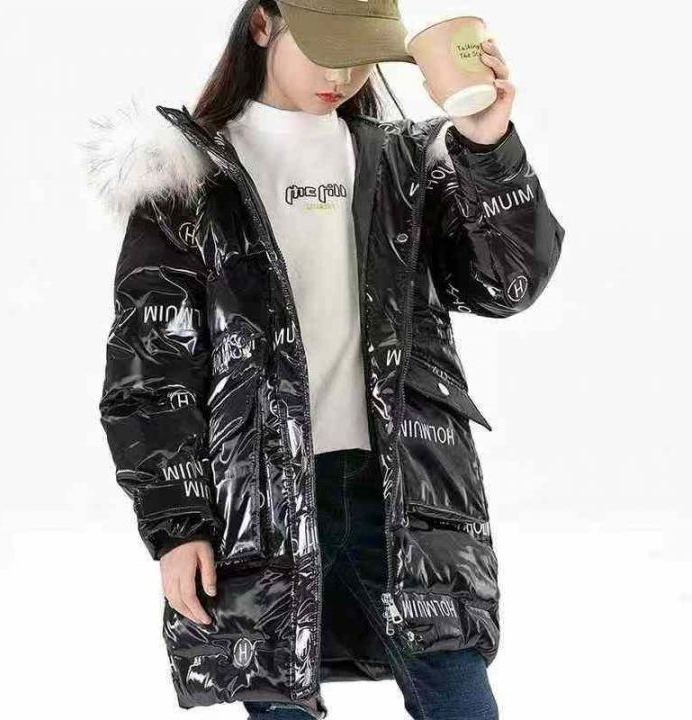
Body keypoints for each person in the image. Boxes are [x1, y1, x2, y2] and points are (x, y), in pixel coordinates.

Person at [86, 1, 565, 718]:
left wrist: (487, 145)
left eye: (360, 54)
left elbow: (507, 285)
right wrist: (177, 525)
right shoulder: (187, 177)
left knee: (460, 698)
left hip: (405, 492)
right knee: (281, 703)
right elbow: (152, 372)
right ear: (261, 24)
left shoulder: (408, 163)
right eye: (325, 48)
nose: (342, 75)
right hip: (258, 504)